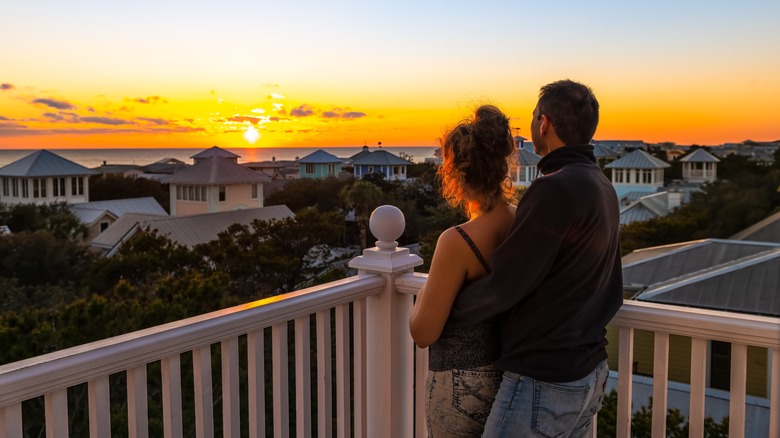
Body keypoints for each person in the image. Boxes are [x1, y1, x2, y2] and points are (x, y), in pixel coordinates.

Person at [447, 80, 623, 437]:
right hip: (587, 372)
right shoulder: (601, 185)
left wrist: (447, 307)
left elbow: (507, 282)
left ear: (544, 123)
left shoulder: (554, 189)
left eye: (532, 116)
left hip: (545, 379)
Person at [409, 105, 517, 437]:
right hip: (509, 378)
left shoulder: (457, 241)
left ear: (455, 171)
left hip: (460, 383)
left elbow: (423, 332)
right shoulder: (523, 219)